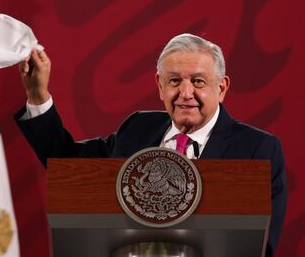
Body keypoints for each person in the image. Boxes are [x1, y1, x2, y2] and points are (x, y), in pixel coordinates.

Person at [14, 33, 287, 256]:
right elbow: (68, 166)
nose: (185, 93)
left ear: (222, 87)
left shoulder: (258, 150)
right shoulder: (137, 129)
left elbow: (263, 246)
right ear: (159, 86)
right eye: (174, 81)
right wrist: (38, 96)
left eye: (198, 81)